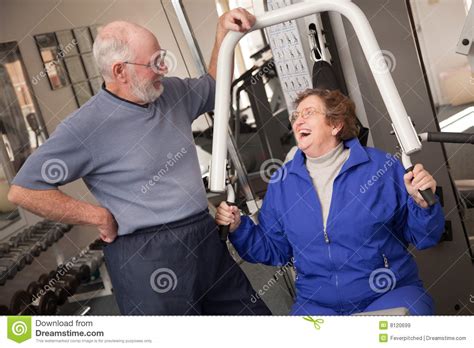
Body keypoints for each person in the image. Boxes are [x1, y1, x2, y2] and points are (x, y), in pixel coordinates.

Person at [8, 9, 271, 316]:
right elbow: (23, 190)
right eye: (154, 62)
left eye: (163, 58)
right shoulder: (85, 126)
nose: (163, 68)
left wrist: (222, 35)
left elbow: (215, 90)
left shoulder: (171, 92)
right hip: (148, 256)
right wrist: (96, 216)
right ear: (120, 71)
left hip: (203, 237)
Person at [216, 88, 445, 315]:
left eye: (309, 113)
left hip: (387, 294)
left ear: (336, 125)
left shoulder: (381, 168)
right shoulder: (282, 183)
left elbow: (425, 237)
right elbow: (275, 249)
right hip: (318, 304)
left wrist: (423, 206)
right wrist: (239, 227)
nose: (298, 120)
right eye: (296, 116)